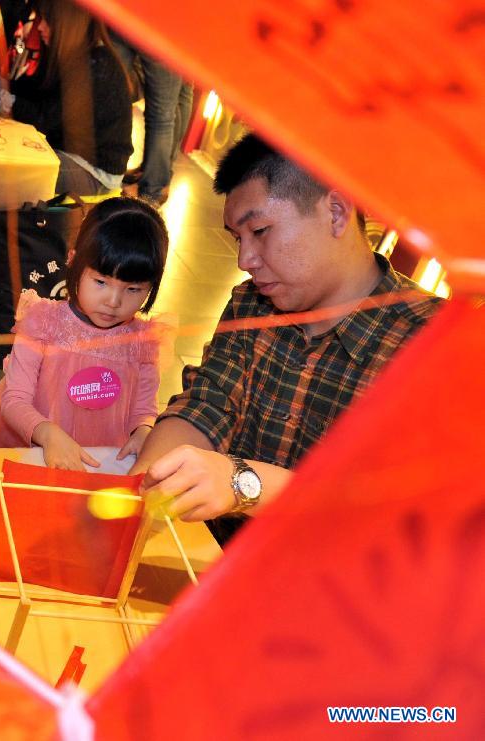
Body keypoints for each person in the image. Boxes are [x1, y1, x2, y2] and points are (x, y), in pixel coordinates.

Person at [130, 134, 443, 545]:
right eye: (237, 238)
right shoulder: (251, 305)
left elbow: (407, 509)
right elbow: (208, 404)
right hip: (218, 558)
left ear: (335, 212)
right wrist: (144, 486)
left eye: (260, 230)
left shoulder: (435, 343)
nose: (245, 260)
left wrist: (245, 482)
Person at [0, 197, 170, 470]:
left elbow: (144, 409)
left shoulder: (143, 343)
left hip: (100, 455)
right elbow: (15, 400)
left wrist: (143, 431)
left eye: (133, 289)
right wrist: (47, 433)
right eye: (101, 282)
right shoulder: (42, 323)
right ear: (73, 261)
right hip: (30, 445)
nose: (113, 301)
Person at [0, 0, 132, 196]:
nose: (39, 27)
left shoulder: (96, 65)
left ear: (67, 24)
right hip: (69, 154)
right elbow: (31, 92)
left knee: (5, 172)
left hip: (95, 172)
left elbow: (41, 119)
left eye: (46, 21)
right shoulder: (72, 54)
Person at [110, 30, 193, 206]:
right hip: (168, 25)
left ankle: (152, 182)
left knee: (117, 94)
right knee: (163, 114)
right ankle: (155, 180)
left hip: (142, 16)